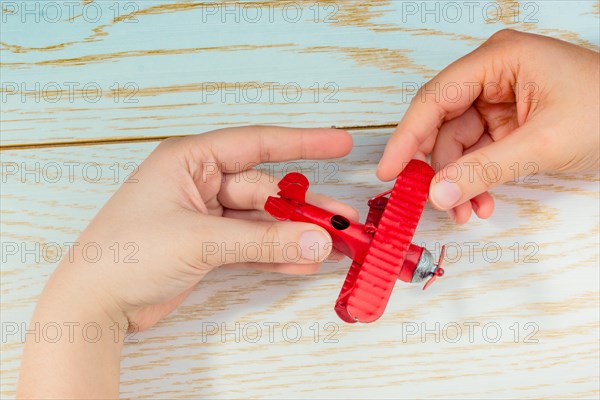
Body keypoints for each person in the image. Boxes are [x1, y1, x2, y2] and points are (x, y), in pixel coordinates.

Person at [17, 30, 599, 398]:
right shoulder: (376, 259)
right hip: (300, 212)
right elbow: (359, 300)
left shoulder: (382, 243)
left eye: (416, 263)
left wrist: (88, 300)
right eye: (414, 263)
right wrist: (93, 300)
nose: (414, 261)